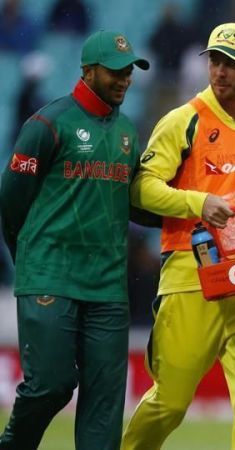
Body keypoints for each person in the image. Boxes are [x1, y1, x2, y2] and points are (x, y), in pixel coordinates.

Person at [121, 22, 235, 450]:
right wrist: (199, 204)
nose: (220, 72)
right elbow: (142, 187)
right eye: (215, 61)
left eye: (232, 64)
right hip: (191, 273)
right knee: (171, 402)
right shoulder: (184, 121)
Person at [0, 29, 149, 449]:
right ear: (87, 71)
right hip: (50, 275)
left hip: (106, 285)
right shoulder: (47, 123)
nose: (125, 79)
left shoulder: (127, 132)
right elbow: (10, 203)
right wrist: (30, 259)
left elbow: (133, 203)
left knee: (104, 409)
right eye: (115, 71)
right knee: (51, 384)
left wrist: (195, 209)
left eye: (130, 72)